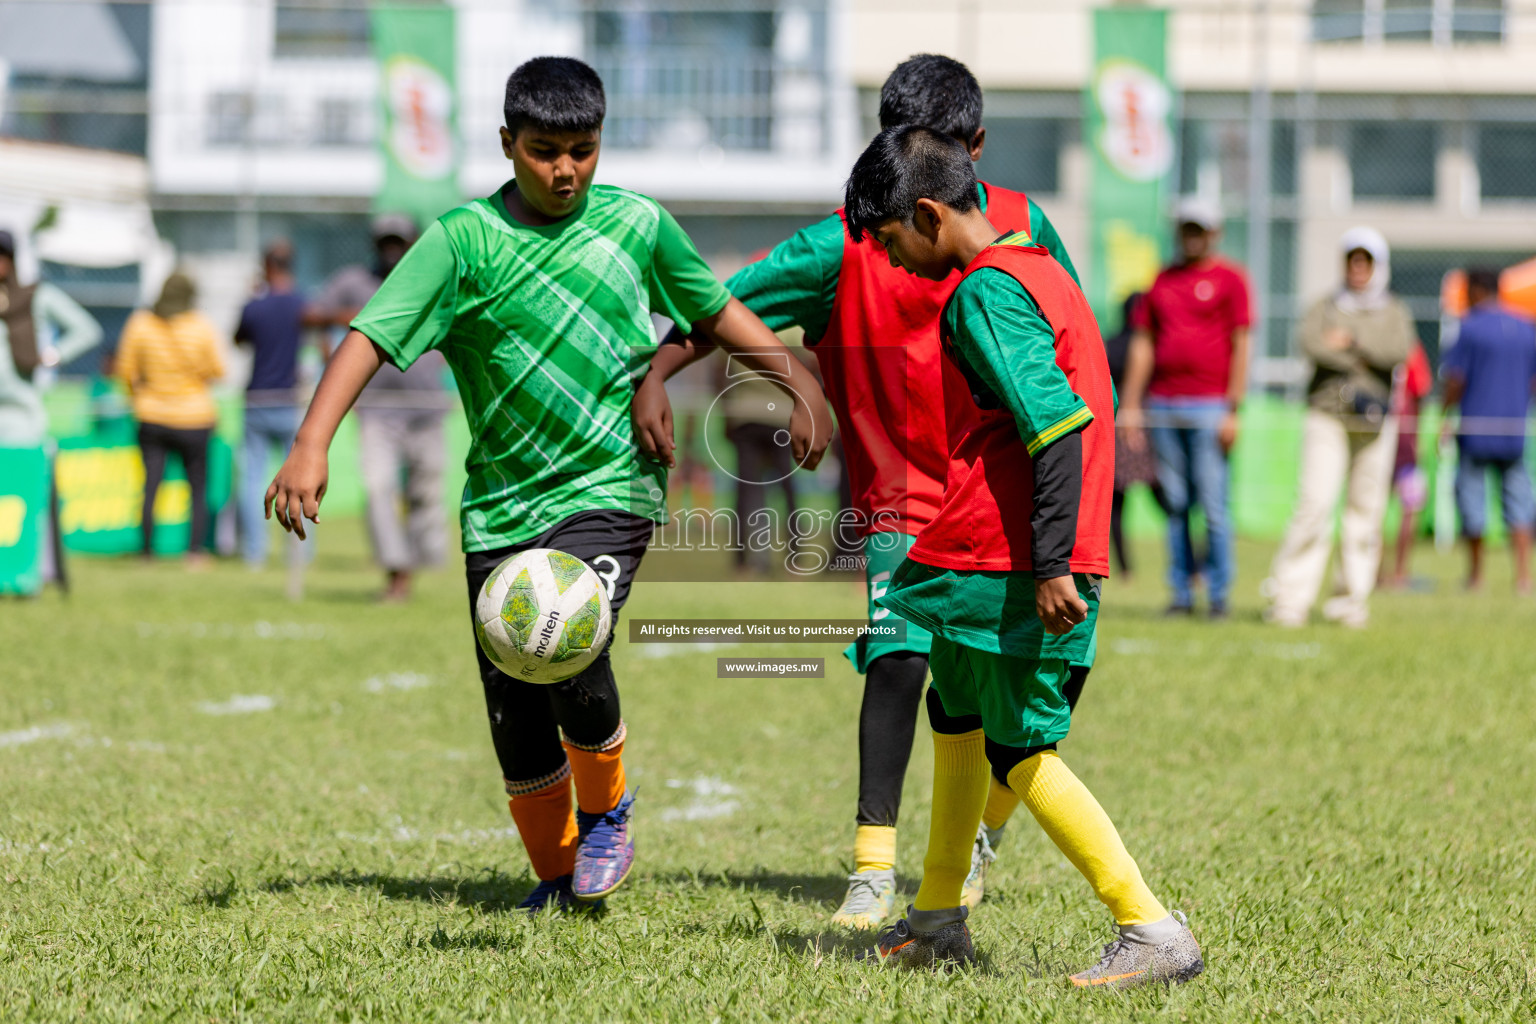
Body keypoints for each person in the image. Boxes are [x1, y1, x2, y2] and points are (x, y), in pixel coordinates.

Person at [266, 56, 833, 913]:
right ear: (506, 143)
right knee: (515, 706)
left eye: (582, 149)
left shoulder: (637, 225)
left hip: (613, 481)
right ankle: (559, 881)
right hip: (500, 502)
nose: (565, 169)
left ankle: (608, 811)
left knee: (566, 636)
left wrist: (798, 380)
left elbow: (716, 312)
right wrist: (312, 442)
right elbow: (370, 337)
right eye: (542, 151)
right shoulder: (462, 241)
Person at [636, 54, 1086, 929]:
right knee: (898, 657)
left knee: (1037, 685)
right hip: (899, 501)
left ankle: (978, 841)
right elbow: (720, 305)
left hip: (999, 495)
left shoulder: (1029, 229)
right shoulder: (844, 241)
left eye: (941, 149)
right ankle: (874, 868)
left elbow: (1067, 343)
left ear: (974, 150)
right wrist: (661, 370)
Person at [839, 126, 1200, 986]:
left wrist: (1052, 563)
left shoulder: (984, 295)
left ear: (928, 214)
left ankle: (1149, 927)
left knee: (1019, 750)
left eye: (892, 242)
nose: (892, 263)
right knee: (957, 716)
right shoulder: (1043, 268)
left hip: (1012, 562)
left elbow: (1057, 423)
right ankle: (936, 918)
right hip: (971, 551)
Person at [1266, 228, 1415, 628]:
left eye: (1366, 260)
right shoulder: (1324, 306)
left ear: (1377, 265)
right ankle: (1289, 600)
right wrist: (1363, 357)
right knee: (1314, 505)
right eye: (1353, 259)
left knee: (1365, 511)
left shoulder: (1394, 309)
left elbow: (1398, 351)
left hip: (1375, 419)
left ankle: (1350, 602)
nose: (1358, 268)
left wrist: (1349, 342)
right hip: (1326, 415)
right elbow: (1311, 343)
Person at [1120, 198, 1252, 619]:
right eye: (1186, 228)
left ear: (1215, 233)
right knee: (1175, 504)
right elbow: (1144, 343)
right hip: (1163, 405)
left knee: (1213, 505)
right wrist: (1133, 403)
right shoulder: (1161, 281)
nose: (1191, 236)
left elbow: (1242, 344)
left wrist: (1234, 407)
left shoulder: (1232, 280)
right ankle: (1180, 592)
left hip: (1211, 406)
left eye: (1199, 229)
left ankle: (1218, 594)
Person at [311, 214, 451, 602]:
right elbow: (309, 315)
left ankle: (418, 569)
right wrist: (343, 328)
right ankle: (397, 571)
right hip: (377, 409)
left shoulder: (431, 279)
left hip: (427, 407)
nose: (392, 250)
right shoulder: (353, 282)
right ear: (374, 244)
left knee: (426, 494)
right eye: (385, 242)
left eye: (399, 242)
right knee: (377, 489)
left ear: (411, 244)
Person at [0, 228, 102, 593]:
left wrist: (51, 357)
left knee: (24, 511)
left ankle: (24, 579)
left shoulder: (34, 296)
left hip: (24, 425)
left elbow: (86, 330)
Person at [116, 272, 225, 565]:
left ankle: (146, 552)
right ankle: (194, 552)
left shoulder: (140, 323)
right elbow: (217, 370)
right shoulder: (201, 327)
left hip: (151, 415)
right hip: (195, 417)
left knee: (151, 485)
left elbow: (125, 369)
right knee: (197, 486)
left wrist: (137, 397)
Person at [1441, 267, 1536, 593]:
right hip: (1514, 431)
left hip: (1475, 430)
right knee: (1518, 502)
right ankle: (1523, 577)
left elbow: (1455, 379)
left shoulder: (1468, 328)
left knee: (1471, 501)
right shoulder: (1527, 328)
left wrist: (1443, 415)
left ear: (1477, 290)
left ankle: (1476, 576)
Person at [236, 239, 308, 568]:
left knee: (252, 479)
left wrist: (254, 296)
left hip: (257, 400)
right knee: (301, 479)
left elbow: (237, 339)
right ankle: (301, 552)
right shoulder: (301, 304)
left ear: (267, 266)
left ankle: (254, 554)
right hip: (289, 399)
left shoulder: (255, 305)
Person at [1383, 342, 1432, 589]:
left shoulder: (1374, 342)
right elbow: (1420, 394)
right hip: (1403, 440)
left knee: (1376, 507)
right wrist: (1417, 438)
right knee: (1409, 507)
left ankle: (1377, 573)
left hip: (1376, 433)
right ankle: (1399, 573)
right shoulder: (1411, 349)